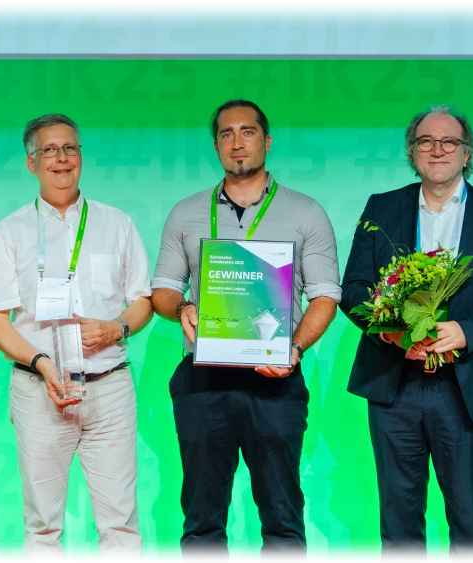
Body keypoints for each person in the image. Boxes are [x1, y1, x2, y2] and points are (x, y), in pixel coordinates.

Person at [151, 99, 340, 552]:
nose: (237, 143)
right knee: (201, 518)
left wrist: (293, 349)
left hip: (275, 381)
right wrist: (181, 309)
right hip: (204, 380)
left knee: (282, 517)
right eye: (226, 134)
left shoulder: (305, 212)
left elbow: (326, 297)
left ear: (267, 141)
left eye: (248, 132)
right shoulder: (185, 212)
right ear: (216, 145)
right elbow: (162, 291)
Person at [340, 106, 473, 553]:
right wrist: (392, 330)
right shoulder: (381, 208)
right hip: (394, 383)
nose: (436, 150)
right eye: (425, 141)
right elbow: (354, 289)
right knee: (398, 522)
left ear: (467, 153)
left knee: (469, 520)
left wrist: (464, 331)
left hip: (467, 386)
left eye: (448, 142)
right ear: (412, 151)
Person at [0, 114, 152, 551]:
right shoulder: (9, 232)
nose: (61, 159)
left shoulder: (118, 224)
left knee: (120, 523)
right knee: (43, 524)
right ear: (31, 163)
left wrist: (116, 329)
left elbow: (143, 301)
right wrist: (41, 363)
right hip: (39, 389)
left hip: (109, 387)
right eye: (49, 151)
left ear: (81, 156)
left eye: (70, 149)